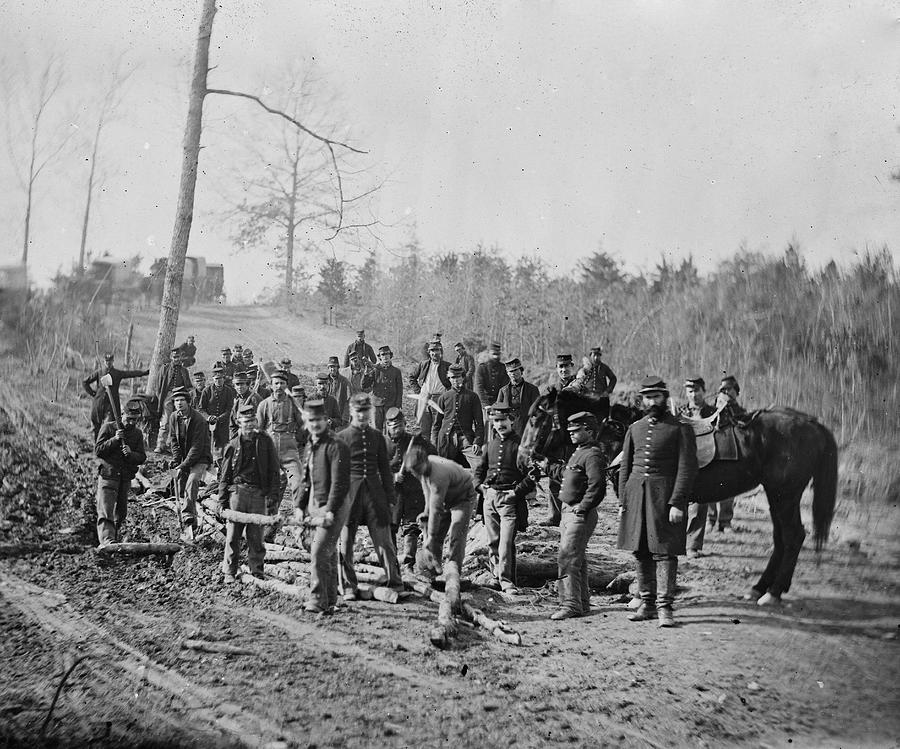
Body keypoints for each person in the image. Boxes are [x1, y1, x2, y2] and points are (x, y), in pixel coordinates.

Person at [617, 376, 698, 628]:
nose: (652, 401)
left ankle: (665, 607)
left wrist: (677, 502)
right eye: (647, 397)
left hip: (664, 500)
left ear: (665, 397)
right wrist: (623, 500)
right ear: (642, 400)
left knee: (664, 552)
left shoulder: (680, 428)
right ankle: (647, 603)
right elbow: (625, 467)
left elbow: (687, 469)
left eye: (657, 396)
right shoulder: (635, 428)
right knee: (640, 550)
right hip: (637, 498)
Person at [534, 411, 606, 618]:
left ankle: (570, 605)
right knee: (578, 559)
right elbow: (567, 475)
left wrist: (583, 506)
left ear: (589, 431)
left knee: (566, 558)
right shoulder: (579, 452)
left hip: (579, 513)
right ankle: (582, 602)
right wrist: (546, 466)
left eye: (577, 431)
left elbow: (598, 485)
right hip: (569, 512)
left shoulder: (592, 454)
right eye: (571, 431)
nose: (572, 434)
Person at [335, 393, 403, 600]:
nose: (362, 416)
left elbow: (385, 470)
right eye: (358, 412)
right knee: (345, 543)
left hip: (375, 495)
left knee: (384, 541)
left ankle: (395, 583)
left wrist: (390, 499)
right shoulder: (342, 438)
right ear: (352, 413)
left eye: (366, 411)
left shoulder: (377, 438)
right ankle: (347, 586)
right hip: (350, 497)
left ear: (371, 412)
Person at [296, 399, 351, 614]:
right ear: (306, 422)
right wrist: (300, 505)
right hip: (316, 503)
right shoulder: (311, 445)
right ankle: (330, 600)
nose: (315, 424)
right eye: (311, 420)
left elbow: (339, 483)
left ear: (326, 420)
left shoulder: (337, 446)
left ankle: (317, 599)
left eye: (319, 420)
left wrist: (330, 511)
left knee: (319, 552)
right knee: (326, 552)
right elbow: (306, 480)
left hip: (335, 505)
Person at [216, 403, 281, 582]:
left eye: (252, 421)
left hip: (259, 494)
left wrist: (273, 497)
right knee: (233, 535)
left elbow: (274, 470)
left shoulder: (265, 441)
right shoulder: (233, 445)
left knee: (256, 537)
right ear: (239, 422)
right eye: (246, 421)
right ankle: (229, 571)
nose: (250, 425)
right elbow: (225, 475)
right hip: (239, 493)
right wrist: (222, 502)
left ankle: (256, 572)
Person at [473, 406, 535, 595]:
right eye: (496, 421)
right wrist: (479, 486)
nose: (499, 425)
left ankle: (507, 580)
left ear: (511, 420)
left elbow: (533, 475)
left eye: (503, 420)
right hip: (489, 498)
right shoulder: (489, 446)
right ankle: (495, 577)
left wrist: (516, 493)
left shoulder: (520, 446)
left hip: (509, 499)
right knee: (493, 541)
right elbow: (479, 471)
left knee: (506, 543)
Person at [402, 441, 476, 588]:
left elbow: (436, 509)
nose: (416, 473)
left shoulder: (438, 475)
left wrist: (429, 537)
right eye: (413, 471)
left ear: (424, 462)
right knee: (435, 535)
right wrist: (425, 512)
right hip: (445, 498)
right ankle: (432, 572)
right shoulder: (423, 469)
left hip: (463, 498)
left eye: (417, 470)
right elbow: (426, 491)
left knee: (456, 535)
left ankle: (453, 575)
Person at [384, 407, 436, 573]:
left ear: (405, 424)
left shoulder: (415, 440)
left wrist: (421, 439)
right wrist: (392, 477)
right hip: (392, 494)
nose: (396, 429)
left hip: (413, 491)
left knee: (411, 527)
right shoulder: (382, 444)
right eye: (392, 426)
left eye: (399, 425)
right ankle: (392, 564)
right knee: (390, 527)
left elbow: (433, 453)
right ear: (387, 426)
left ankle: (408, 564)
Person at [94, 399, 147, 546]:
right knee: (106, 511)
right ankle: (107, 541)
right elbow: (98, 450)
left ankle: (115, 538)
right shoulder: (109, 428)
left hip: (125, 478)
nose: (131, 423)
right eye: (129, 419)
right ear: (122, 414)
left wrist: (131, 454)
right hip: (108, 476)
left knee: (121, 513)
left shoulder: (137, 434)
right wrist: (115, 439)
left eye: (135, 420)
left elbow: (142, 457)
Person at [256, 369, 306, 523]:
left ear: (286, 385)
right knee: (273, 490)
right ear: (271, 385)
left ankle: (301, 520)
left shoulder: (294, 404)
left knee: (297, 483)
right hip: (270, 453)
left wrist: (296, 438)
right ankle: (270, 523)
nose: (279, 386)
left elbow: (304, 427)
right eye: (276, 383)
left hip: (290, 453)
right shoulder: (264, 405)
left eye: (282, 383)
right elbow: (258, 431)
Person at [678, 375, 716, 556]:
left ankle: (692, 545)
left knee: (700, 505)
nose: (693, 395)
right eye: (690, 391)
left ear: (704, 392)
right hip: (682, 464)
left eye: (697, 391)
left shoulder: (713, 412)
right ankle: (677, 542)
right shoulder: (679, 411)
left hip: (705, 463)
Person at [168, 386, 213, 541]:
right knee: (180, 484)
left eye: (182, 400)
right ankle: (187, 523)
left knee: (192, 480)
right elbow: (174, 441)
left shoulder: (199, 420)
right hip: (185, 458)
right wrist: (176, 460)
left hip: (200, 457)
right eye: (176, 401)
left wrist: (182, 466)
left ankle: (188, 514)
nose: (179, 403)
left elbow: (197, 448)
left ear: (188, 402)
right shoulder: (174, 417)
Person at [82, 352, 150, 440]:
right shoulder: (99, 372)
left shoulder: (117, 373)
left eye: (110, 361)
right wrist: (93, 393)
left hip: (111, 405)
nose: (108, 363)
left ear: (113, 361)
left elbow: (130, 373)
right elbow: (85, 382)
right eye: (106, 361)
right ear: (103, 361)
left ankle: (106, 445)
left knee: (109, 426)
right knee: (96, 426)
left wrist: (145, 373)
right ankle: (97, 446)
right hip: (98, 403)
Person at [708, 374, 744, 533]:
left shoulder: (740, 411)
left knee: (728, 489)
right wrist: (719, 408)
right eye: (723, 390)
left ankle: (725, 522)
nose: (726, 393)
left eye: (730, 390)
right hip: (712, 452)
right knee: (708, 488)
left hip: (732, 454)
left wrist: (730, 407)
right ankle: (710, 520)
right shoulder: (712, 410)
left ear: (736, 392)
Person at [432, 364, 484, 466]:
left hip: (466, 438)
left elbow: (479, 424)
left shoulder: (473, 397)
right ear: (449, 379)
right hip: (446, 440)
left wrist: (477, 442)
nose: (455, 380)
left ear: (463, 378)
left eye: (458, 377)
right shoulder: (443, 397)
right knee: (441, 467)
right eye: (452, 377)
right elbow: (436, 425)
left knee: (479, 464)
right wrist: (435, 444)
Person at [408, 342, 451, 439]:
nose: (434, 353)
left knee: (438, 429)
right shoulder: (423, 364)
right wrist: (419, 392)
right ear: (429, 352)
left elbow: (456, 380)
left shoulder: (447, 366)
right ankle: (425, 452)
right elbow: (412, 378)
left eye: (437, 350)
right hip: (424, 399)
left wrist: (448, 394)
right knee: (423, 429)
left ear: (441, 352)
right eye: (432, 350)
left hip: (439, 399)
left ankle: (436, 451)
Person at [154, 348, 192, 453]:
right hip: (168, 396)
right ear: (171, 357)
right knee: (166, 420)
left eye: (178, 357)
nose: (176, 359)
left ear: (181, 357)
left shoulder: (184, 371)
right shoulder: (165, 368)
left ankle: (174, 446)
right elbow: (158, 385)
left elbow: (188, 386)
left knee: (178, 421)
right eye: (174, 357)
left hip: (179, 396)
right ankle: (160, 445)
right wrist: (160, 397)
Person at [198, 363, 235, 465]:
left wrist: (219, 418)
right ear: (213, 379)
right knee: (208, 444)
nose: (218, 381)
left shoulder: (229, 391)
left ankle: (222, 464)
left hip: (223, 423)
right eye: (216, 379)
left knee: (223, 445)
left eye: (220, 378)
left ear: (224, 378)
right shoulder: (207, 391)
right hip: (209, 424)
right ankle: (209, 462)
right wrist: (208, 417)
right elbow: (201, 409)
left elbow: (229, 409)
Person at [494, 358, 540, 438]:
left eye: (516, 370)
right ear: (507, 373)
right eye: (511, 371)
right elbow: (498, 413)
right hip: (507, 429)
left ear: (521, 371)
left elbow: (537, 411)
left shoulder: (532, 389)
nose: (513, 373)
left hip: (525, 429)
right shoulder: (503, 391)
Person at [474, 342, 510, 440]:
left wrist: (500, 404)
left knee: (500, 426)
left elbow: (505, 388)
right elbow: (479, 388)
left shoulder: (503, 368)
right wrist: (486, 405)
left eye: (497, 354)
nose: (495, 356)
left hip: (498, 402)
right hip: (485, 404)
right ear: (489, 353)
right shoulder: (482, 368)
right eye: (493, 354)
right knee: (486, 426)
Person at [570, 346, 618, 413]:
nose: (596, 358)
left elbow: (613, 378)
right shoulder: (584, 368)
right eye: (594, 355)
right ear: (590, 356)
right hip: (586, 397)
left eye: (598, 356)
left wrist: (607, 391)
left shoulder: (604, 367)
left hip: (600, 397)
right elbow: (575, 379)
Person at [371, 345, 403, 431]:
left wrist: (398, 405)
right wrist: (366, 374)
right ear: (380, 357)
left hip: (390, 405)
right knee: (376, 430)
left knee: (389, 430)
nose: (385, 356)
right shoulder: (375, 370)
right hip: (377, 405)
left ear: (390, 356)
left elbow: (400, 390)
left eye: (387, 354)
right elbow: (365, 385)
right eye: (382, 355)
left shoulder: (396, 371)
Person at [230, 372, 263, 440]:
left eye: (242, 384)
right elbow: (232, 425)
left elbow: (260, 422)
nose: (239, 387)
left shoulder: (255, 399)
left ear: (247, 385)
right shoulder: (237, 402)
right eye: (237, 384)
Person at [326, 355, 352, 423]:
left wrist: (345, 418)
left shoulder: (345, 381)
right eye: (331, 367)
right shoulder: (324, 381)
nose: (333, 369)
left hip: (340, 417)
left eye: (334, 366)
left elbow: (349, 400)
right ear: (328, 368)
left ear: (338, 368)